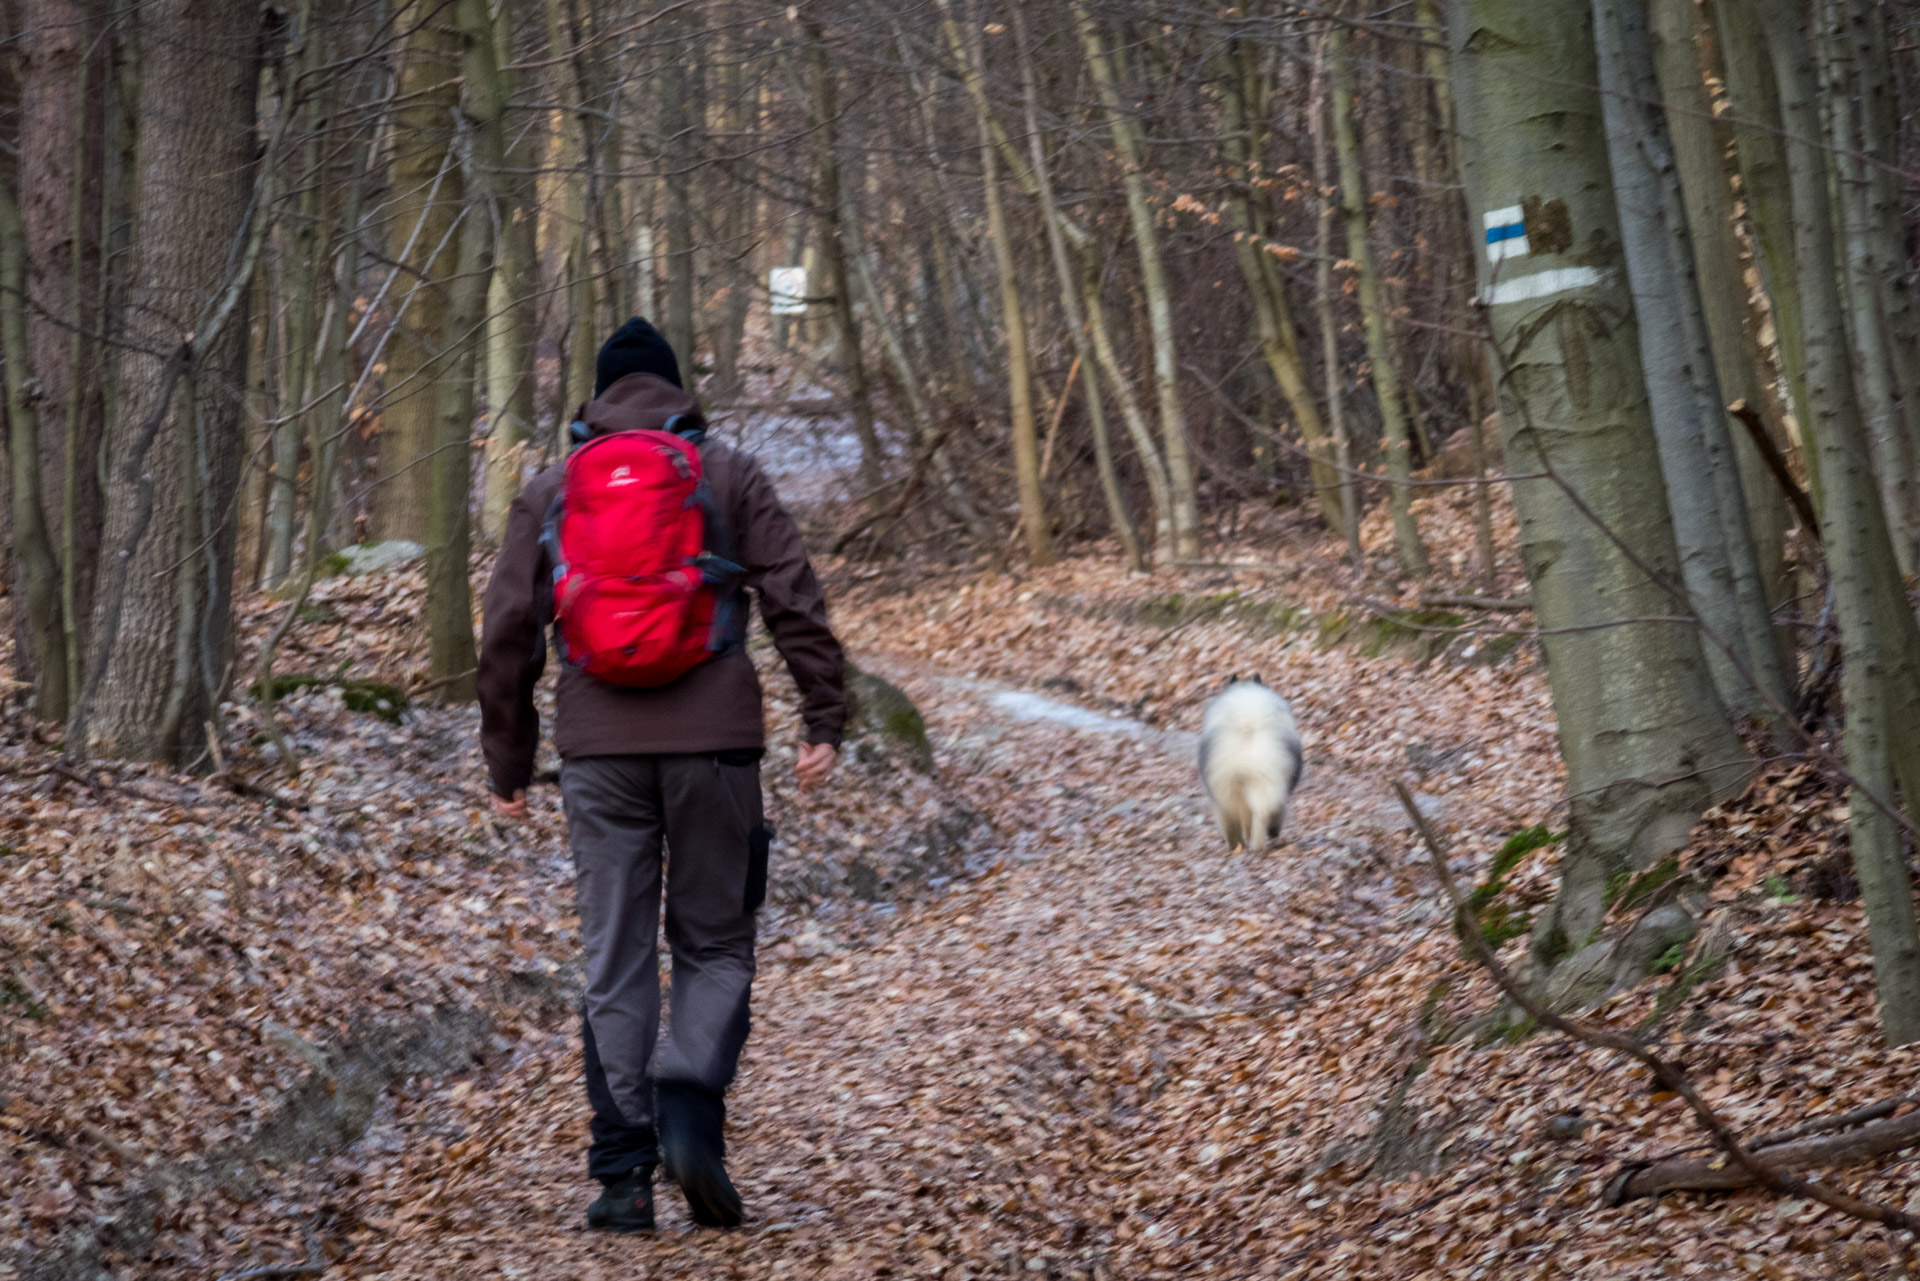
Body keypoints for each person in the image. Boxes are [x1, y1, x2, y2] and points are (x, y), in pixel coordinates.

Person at [478, 316, 846, 1233]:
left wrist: (509, 758)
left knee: (617, 955)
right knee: (716, 942)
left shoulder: (552, 488)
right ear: (677, 390)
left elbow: (508, 633)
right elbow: (794, 594)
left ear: (596, 400)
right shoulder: (728, 470)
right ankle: (690, 1101)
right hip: (717, 743)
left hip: (597, 749)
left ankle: (622, 1180)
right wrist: (823, 715)